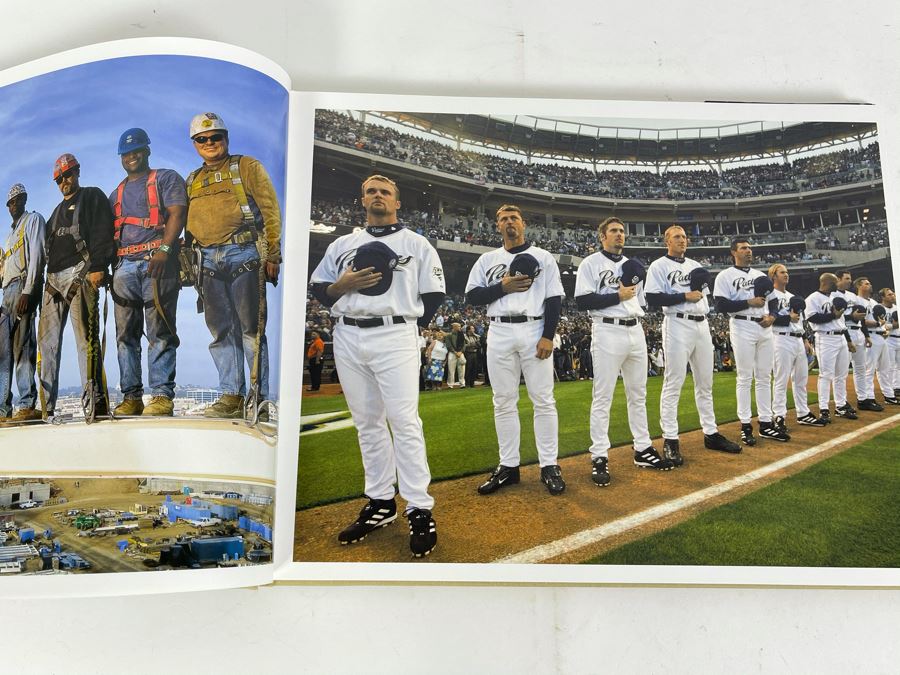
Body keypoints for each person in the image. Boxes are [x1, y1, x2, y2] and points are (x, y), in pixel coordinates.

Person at [309, 174, 445, 557]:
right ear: (362, 200)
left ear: (397, 202)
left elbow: (434, 294)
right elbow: (320, 288)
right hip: (348, 333)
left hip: (395, 332)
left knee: (404, 421)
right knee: (367, 423)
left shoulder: (416, 243)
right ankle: (381, 502)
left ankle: (419, 507)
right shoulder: (342, 244)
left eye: (385, 192)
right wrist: (343, 285)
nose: (378, 196)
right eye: (371, 191)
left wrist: (406, 324)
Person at [185, 112, 281, 419]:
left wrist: (273, 254)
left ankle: (258, 399)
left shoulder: (246, 166)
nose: (209, 142)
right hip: (206, 260)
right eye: (202, 139)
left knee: (251, 329)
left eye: (216, 137)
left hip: (244, 253)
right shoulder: (192, 180)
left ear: (226, 138)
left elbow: (270, 209)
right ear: (195, 143)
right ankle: (231, 397)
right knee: (221, 332)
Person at [466, 204, 566, 496]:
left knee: (543, 399)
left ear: (523, 224)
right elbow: (472, 296)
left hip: (534, 327)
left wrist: (548, 336)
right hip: (499, 329)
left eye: (514, 218)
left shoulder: (543, 257)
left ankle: (549, 465)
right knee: (503, 400)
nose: (509, 222)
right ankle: (508, 466)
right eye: (503, 219)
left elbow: (554, 299)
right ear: (497, 225)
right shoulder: (487, 259)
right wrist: (503, 287)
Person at [575, 217, 674, 487]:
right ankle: (599, 455)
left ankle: (643, 448)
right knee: (603, 396)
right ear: (602, 236)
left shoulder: (633, 266)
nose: (619, 235)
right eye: (614, 231)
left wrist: (624, 298)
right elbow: (582, 300)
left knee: (638, 394)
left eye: (622, 231)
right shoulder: (590, 263)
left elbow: (638, 301)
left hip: (635, 329)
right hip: (606, 329)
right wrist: (616, 296)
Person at [644, 225, 741, 466]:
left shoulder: (695, 266)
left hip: (702, 324)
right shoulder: (659, 266)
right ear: (667, 241)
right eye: (677, 237)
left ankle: (711, 433)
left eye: (685, 237)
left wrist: (693, 294)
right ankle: (670, 439)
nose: (682, 240)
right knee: (674, 381)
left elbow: (702, 295)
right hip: (677, 323)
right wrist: (683, 296)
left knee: (705, 383)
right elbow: (652, 297)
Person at [108, 128, 187, 417]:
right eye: (126, 153)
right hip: (124, 266)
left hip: (157, 261)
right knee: (125, 336)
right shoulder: (115, 195)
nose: (131, 156)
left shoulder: (166, 179)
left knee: (160, 331)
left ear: (147, 151)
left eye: (137, 151)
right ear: (121, 157)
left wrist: (165, 250)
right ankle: (131, 398)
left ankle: (162, 396)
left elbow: (178, 212)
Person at [39, 154, 115, 420]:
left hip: (80, 274)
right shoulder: (55, 214)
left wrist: (99, 266)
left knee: (86, 341)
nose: (64, 181)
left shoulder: (92, 197)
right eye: (59, 179)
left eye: (67, 175)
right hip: (53, 281)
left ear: (77, 171)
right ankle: (46, 407)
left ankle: (95, 403)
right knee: (47, 345)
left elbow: (103, 231)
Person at [712, 238, 788, 445]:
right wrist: (748, 302)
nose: (749, 251)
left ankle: (766, 422)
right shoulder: (725, 275)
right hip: (742, 324)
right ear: (733, 252)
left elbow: (774, 301)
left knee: (764, 376)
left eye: (750, 248)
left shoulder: (759, 275)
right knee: (745, 377)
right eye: (744, 248)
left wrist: (773, 316)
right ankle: (745, 425)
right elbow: (720, 305)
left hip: (764, 326)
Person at [0, 184, 46, 422]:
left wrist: (28, 291)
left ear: (25, 199)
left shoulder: (33, 220)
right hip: (7, 292)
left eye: (17, 200)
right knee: (3, 353)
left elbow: (37, 256)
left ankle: (26, 404)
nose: (14, 205)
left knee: (23, 347)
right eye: (10, 202)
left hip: (22, 287)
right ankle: (2, 409)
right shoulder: (9, 236)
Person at [767, 264, 826, 429]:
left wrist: (805, 340)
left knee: (801, 379)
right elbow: (766, 319)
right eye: (782, 272)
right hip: (780, 338)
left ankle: (803, 413)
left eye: (787, 272)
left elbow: (799, 322)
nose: (786, 275)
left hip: (798, 339)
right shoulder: (769, 296)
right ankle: (779, 415)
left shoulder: (793, 296)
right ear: (773, 275)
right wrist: (787, 318)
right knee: (781, 379)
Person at [804, 273, 856, 423]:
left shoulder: (836, 297)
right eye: (835, 281)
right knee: (826, 375)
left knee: (841, 375)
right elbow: (812, 318)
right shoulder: (813, 298)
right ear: (826, 282)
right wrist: (833, 316)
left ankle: (841, 406)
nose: (837, 283)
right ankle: (824, 409)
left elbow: (842, 323)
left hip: (841, 337)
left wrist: (849, 340)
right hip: (825, 338)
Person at [834, 270, 868, 416]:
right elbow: (836, 317)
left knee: (861, 368)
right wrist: (852, 316)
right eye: (847, 278)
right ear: (838, 279)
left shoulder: (852, 296)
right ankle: (841, 403)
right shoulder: (832, 295)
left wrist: (866, 335)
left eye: (850, 278)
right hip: (845, 331)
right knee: (841, 373)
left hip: (858, 331)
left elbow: (861, 316)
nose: (849, 281)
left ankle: (863, 399)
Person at [853, 277, 885, 412]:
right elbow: (861, 321)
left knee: (879, 368)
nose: (870, 285)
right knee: (868, 369)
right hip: (867, 335)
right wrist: (877, 324)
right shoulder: (856, 300)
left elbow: (880, 318)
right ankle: (868, 398)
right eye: (867, 283)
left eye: (870, 283)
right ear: (859, 286)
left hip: (878, 335)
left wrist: (882, 325)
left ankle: (871, 397)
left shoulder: (873, 302)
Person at [444, 322, 466, 387]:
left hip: (460, 353)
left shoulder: (461, 334)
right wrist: (455, 352)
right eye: (458, 326)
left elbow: (464, 344)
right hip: (452, 353)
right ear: (454, 327)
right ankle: (450, 384)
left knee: (462, 369)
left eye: (460, 326)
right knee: (451, 369)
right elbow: (448, 345)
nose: (460, 327)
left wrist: (461, 351)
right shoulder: (449, 335)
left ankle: (462, 383)